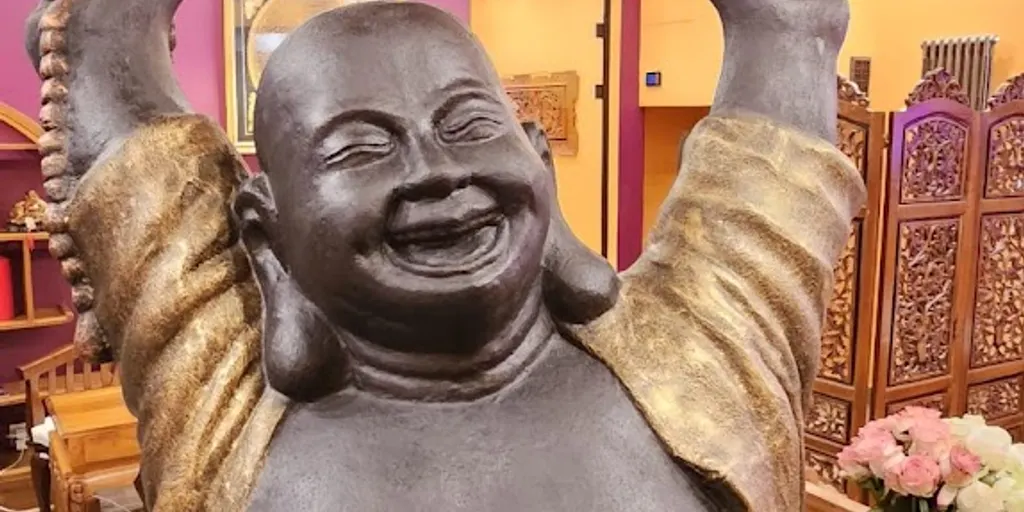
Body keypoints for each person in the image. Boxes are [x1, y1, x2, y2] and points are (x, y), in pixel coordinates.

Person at [25, 0, 863, 510]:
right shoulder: (227, 413)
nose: (435, 172)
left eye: (469, 125)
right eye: (359, 149)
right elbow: (114, 80)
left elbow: (785, 41)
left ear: (538, 161)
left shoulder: (696, 366)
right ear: (266, 234)